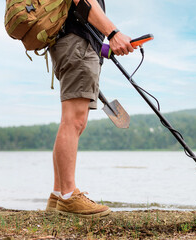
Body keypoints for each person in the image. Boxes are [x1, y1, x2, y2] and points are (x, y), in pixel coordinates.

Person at [45, 0, 134, 218]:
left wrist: (105, 46)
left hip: (74, 43)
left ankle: (58, 195)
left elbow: (77, 18)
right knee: (73, 121)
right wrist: (113, 33)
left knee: (73, 121)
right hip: (77, 46)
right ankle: (68, 196)